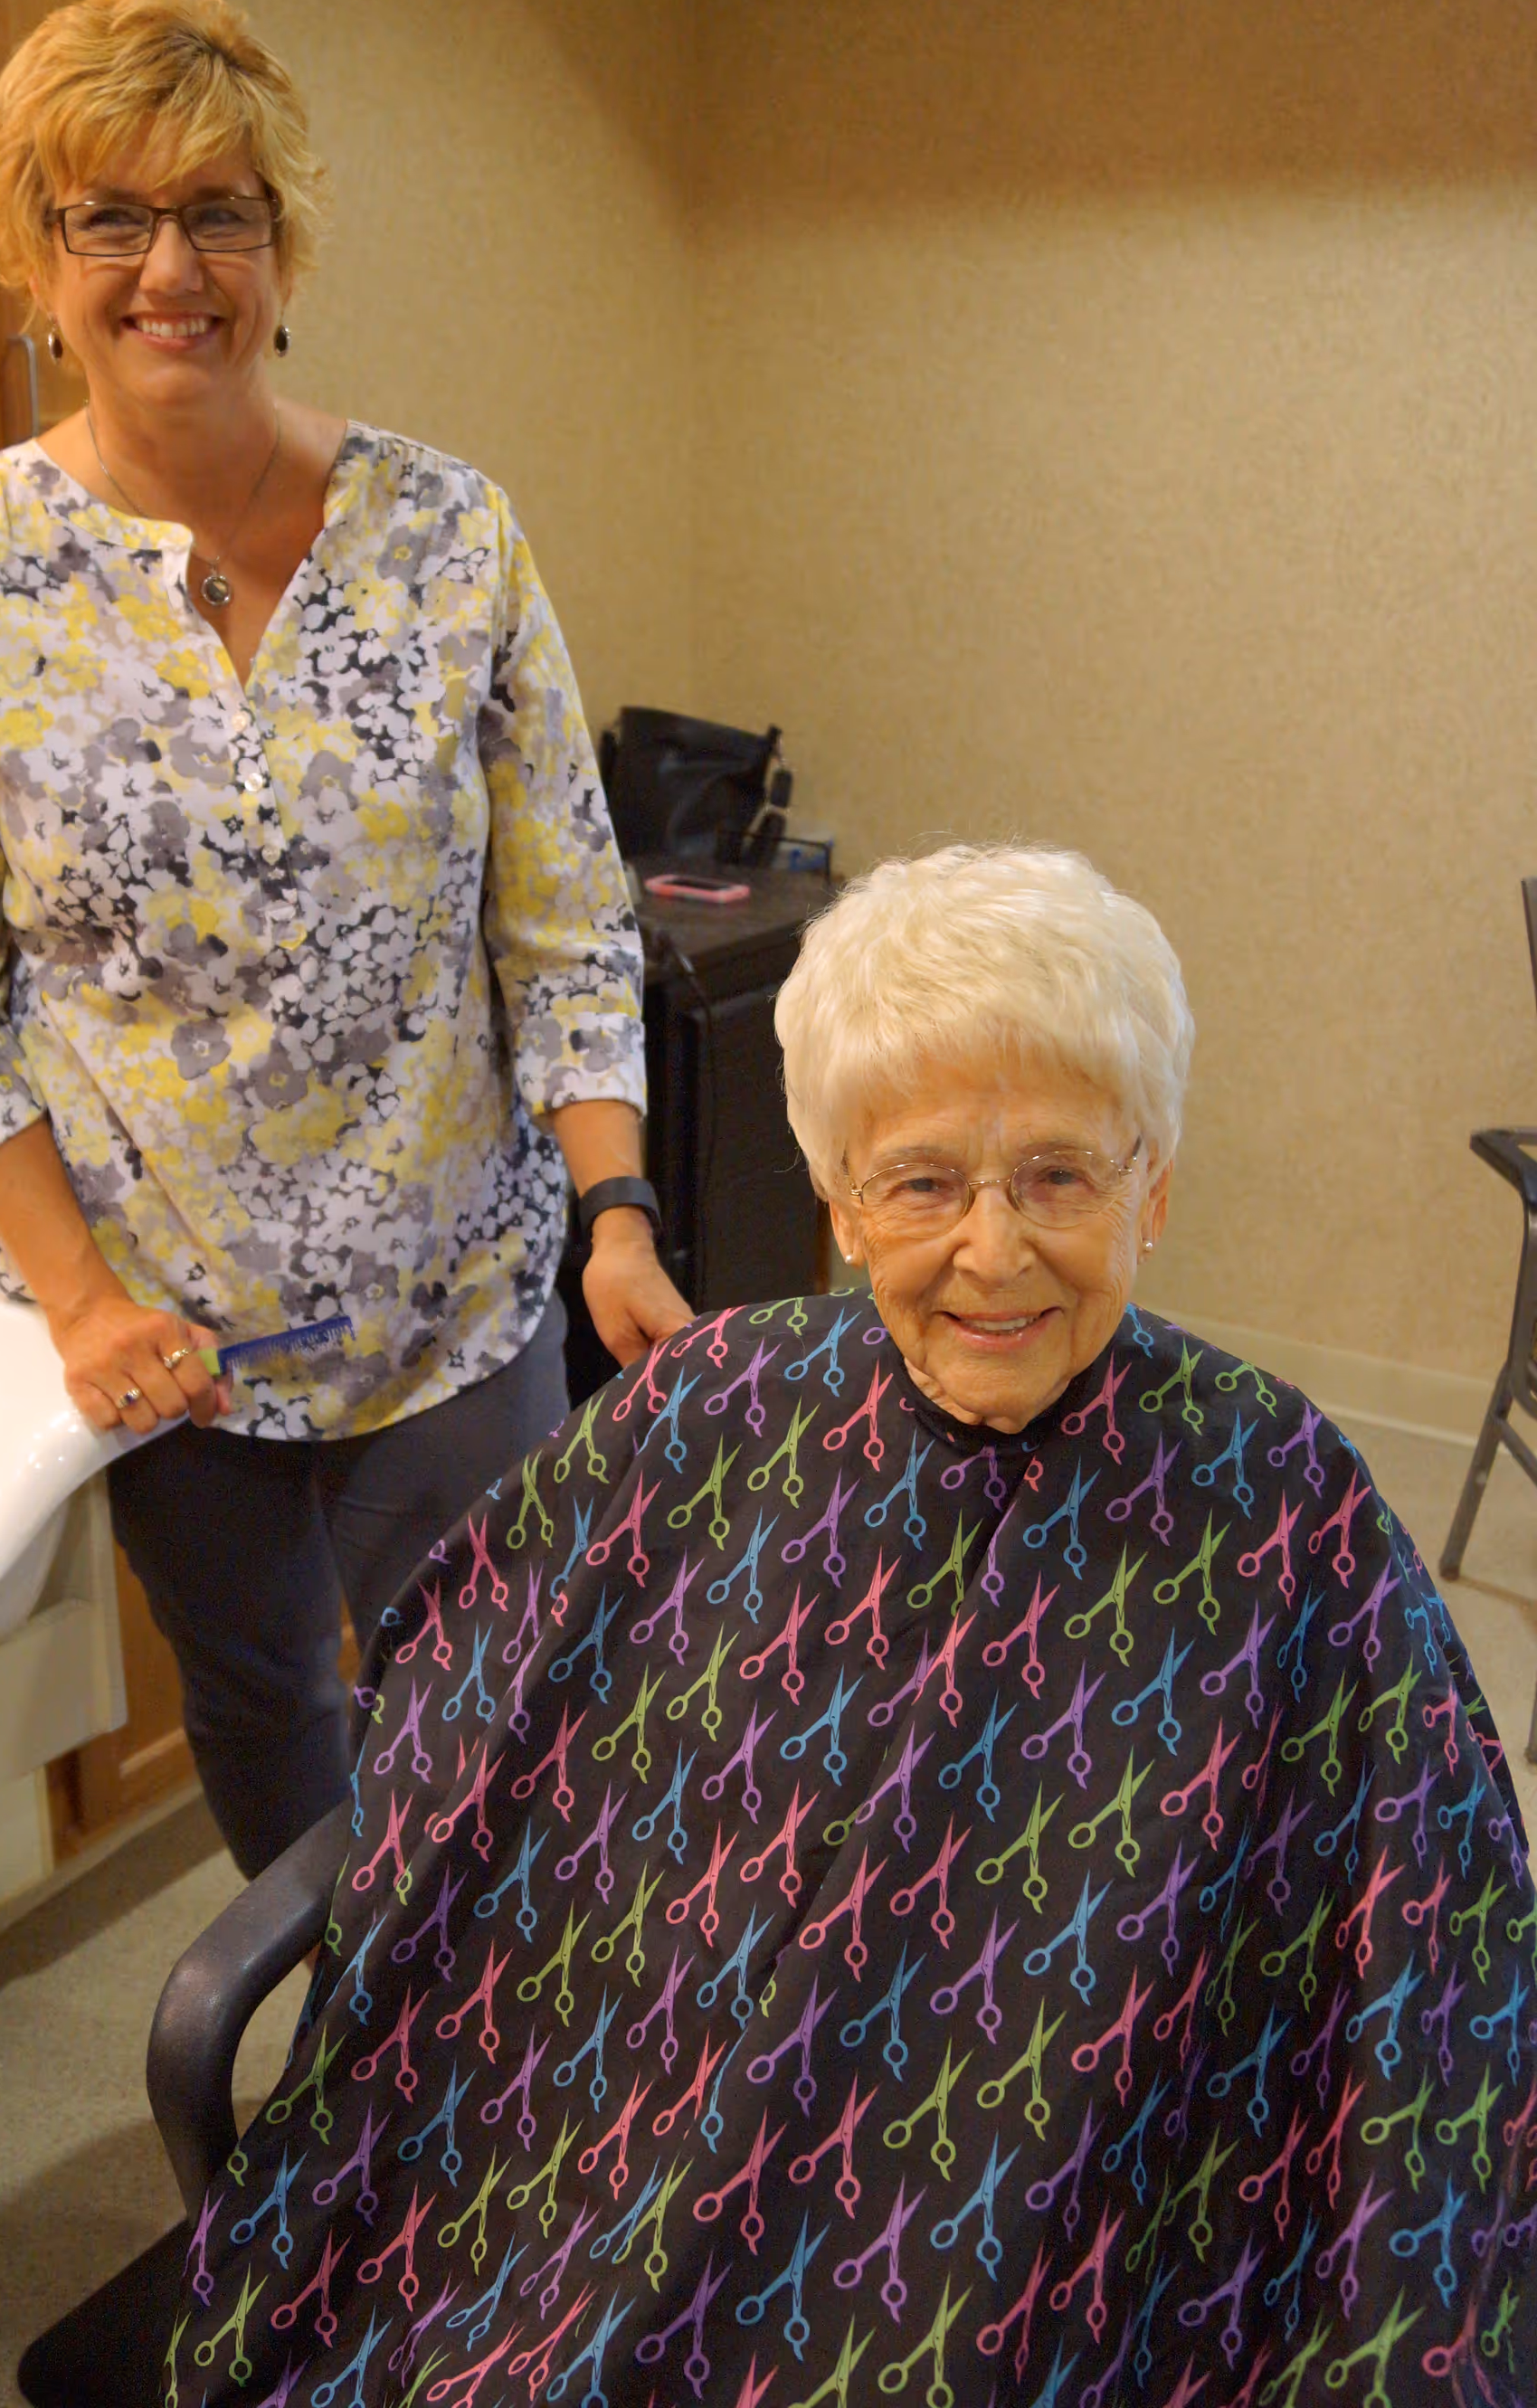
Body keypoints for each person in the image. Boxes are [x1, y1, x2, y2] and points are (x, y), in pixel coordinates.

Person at [182, 841, 1536, 2406]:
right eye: (921, 1183)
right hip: (607, 2190)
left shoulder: (1282, 1501)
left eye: (1059, 1176)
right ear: (836, 1201)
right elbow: (470, 1732)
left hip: (1057, 2230)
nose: (993, 1250)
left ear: (1153, 1187)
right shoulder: (710, 1413)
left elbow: (1430, 1983)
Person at [0, 0, 688, 1878]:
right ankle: (345, 2091)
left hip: (460, 1297)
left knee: (514, 1720)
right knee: (263, 1717)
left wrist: (613, 1210)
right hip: (166, 1334)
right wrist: (75, 1296)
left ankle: (499, 2073)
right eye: (107, 217)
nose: (172, 267)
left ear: (283, 246)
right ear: (40, 260)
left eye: (221, 211)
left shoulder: (449, 534)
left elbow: (564, 917)